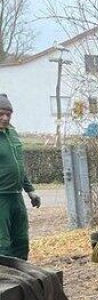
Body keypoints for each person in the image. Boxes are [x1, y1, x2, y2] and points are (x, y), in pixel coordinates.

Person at [0, 94, 40, 260]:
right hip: (1, 197)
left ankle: (21, 280)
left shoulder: (12, 133)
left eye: (8, 114)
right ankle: (5, 282)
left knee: (21, 240)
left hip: (16, 196)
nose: (5, 118)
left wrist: (30, 191)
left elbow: (19, 166)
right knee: (2, 244)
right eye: (1, 113)